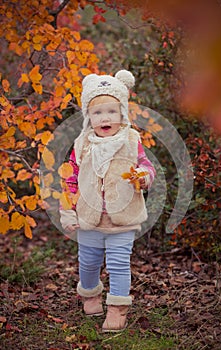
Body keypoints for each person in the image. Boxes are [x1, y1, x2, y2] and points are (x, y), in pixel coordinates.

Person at [60, 69, 156, 332]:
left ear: (122, 113)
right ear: (89, 116)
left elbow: (147, 165)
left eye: (112, 111)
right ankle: (90, 295)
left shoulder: (131, 140)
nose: (105, 117)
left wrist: (144, 176)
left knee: (118, 263)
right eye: (98, 112)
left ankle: (117, 308)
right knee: (88, 262)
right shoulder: (81, 144)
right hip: (89, 218)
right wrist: (67, 211)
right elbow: (70, 180)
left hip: (122, 218)